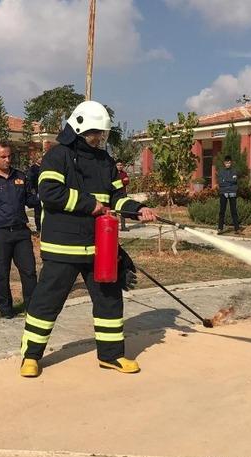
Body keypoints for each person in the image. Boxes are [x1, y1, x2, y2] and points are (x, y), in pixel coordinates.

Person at [19, 101, 156, 378]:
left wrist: (137, 209)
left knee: (109, 300)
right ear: (80, 127)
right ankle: (30, 356)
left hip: (99, 247)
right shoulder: (58, 156)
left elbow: (117, 197)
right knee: (46, 302)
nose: (99, 139)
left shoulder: (105, 162)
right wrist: (88, 204)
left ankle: (112, 355)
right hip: (62, 247)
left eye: (102, 134)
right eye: (95, 133)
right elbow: (49, 192)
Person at [0, 142, 39, 320]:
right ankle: (5, 309)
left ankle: (32, 308)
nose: (7, 160)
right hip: (0, 233)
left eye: (9, 156)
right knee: (2, 272)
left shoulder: (20, 177)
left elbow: (30, 199)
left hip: (21, 233)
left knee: (29, 271)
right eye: (3, 157)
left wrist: (44, 197)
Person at [216, 155, 241, 234]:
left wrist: (225, 180)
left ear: (231, 163)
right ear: (224, 163)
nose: (228, 164)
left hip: (232, 193)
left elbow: (235, 180)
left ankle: (237, 229)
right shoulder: (220, 171)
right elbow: (220, 183)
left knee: (234, 211)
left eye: (229, 163)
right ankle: (220, 228)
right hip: (223, 193)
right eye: (227, 163)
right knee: (222, 211)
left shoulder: (234, 171)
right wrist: (230, 181)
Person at [26, 156, 42, 233]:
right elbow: (29, 181)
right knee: (38, 211)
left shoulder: (45, 167)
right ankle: (38, 228)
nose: (42, 159)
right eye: (40, 158)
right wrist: (33, 192)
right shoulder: (33, 168)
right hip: (37, 192)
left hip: (44, 192)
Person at [116, 161, 131, 231]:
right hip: (115, 194)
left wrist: (121, 181)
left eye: (121, 165)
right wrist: (122, 181)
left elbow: (127, 181)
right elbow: (114, 183)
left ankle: (123, 226)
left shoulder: (124, 173)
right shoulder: (113, 173)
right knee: (114, 211)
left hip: (123, 193)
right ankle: (114, 226)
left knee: (123, 210)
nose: (120, 166)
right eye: (118, 165)